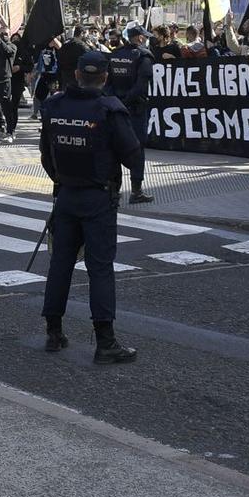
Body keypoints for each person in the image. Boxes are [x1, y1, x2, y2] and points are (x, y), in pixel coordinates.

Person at [38, 52, 140, 363]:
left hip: (67, 195)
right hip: (98, 198)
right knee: (100, 269)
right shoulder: (109, 109)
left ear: (78, 75)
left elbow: (45, 154)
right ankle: (105, 342)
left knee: (60, 265)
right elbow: (133, 155)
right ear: (106, 77)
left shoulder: (54, 106)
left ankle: (53, 333)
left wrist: (61, 179)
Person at [106, 27, 155, 204]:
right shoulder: (144, 56)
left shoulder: (115, 54)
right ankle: (136, 191)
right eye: (146, 38)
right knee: (137, 149)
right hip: (135, 110)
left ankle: (113, 189)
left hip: (115, 109)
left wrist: (117, 102)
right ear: (141, 38)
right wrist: (126, 102)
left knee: (114, 149)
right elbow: (142, 86)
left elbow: (107, 83)